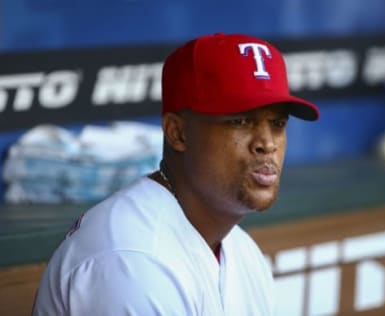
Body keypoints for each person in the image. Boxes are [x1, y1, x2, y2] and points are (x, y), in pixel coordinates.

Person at [32, 32, 319, 315]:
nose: (267, 143)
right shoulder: (132, 261)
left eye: (278, 123)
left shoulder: (242, 252)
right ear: (177, 132)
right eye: (240, 121)